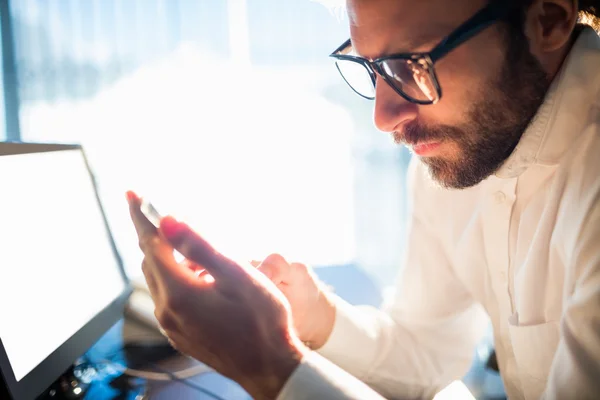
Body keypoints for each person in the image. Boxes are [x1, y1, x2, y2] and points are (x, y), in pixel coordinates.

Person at [126, 0, 600, 398]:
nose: (384, 116)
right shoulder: (467, 148)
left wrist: (269, 363)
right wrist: (312, 317)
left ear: (550, 19)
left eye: (411, 65)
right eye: (371, 66)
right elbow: (427, 352)